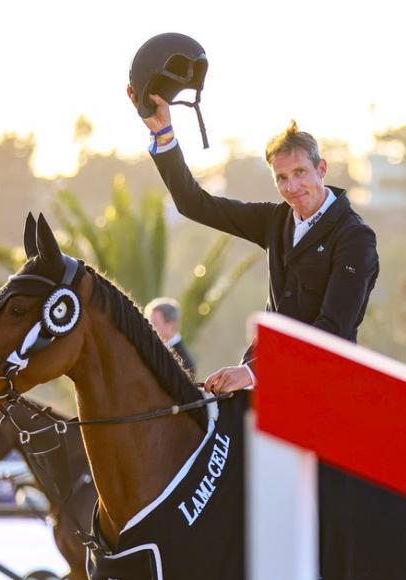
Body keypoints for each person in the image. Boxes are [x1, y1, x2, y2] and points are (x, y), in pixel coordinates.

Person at [129, 89, 380, 394]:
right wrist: (164, 134)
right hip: (261, 387)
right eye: (282, 178)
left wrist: (251, 372)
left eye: (300, 172)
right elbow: (194, 203)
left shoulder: (355, 238)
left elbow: (332, 333)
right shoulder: (275, 220)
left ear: (321, 169)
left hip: (320, 390)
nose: (292, 187)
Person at [144, 297, 196, 379]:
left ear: (171, 324)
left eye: (154, 323)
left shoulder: (184, 361)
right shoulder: (153, 348)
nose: (149, 328)